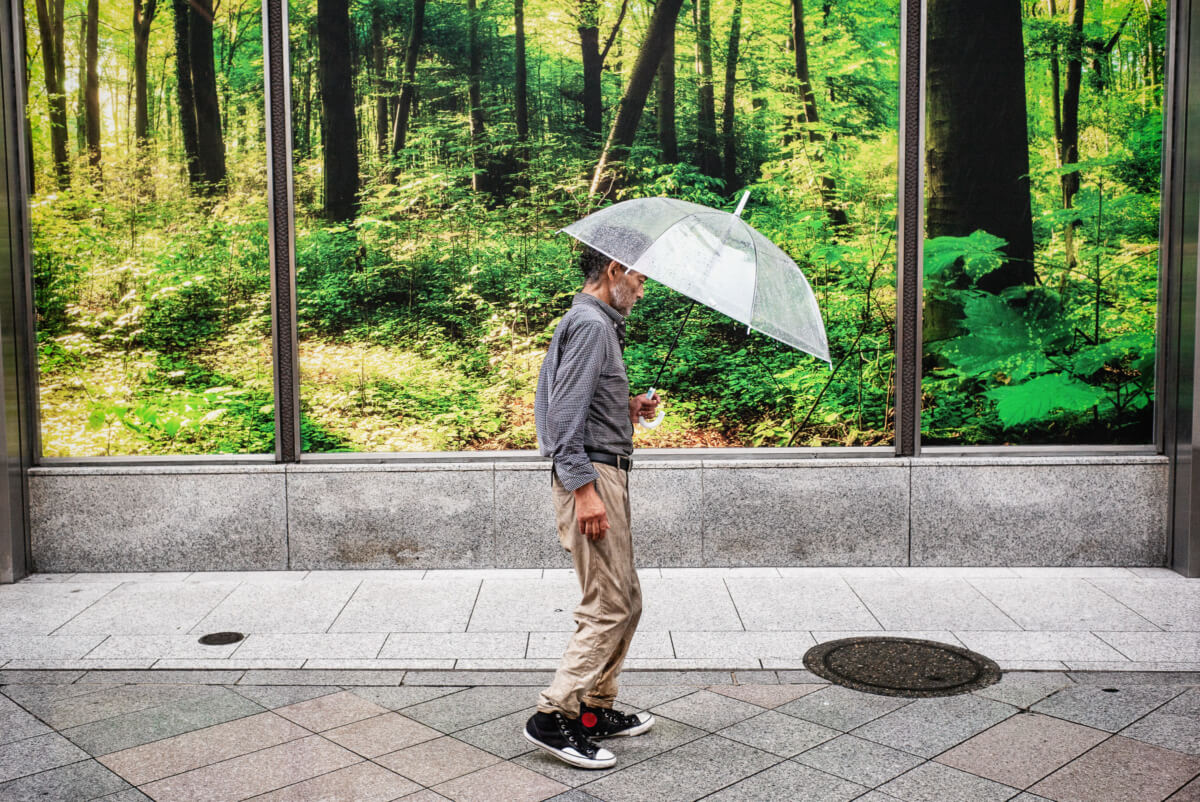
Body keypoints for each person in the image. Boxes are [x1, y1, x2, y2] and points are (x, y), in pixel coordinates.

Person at [523, 245, 660, 770]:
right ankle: (554, 714)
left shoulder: (595, 325)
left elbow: (575, 402)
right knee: (607, 604)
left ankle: (594, 709)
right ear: (614, 270)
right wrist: (583, 490)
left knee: (626, 599)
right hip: (593, 477)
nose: (643, 290)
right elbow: (559, 419)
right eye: (640, 277)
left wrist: (627, 408)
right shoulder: (590, 325)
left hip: (604, 471)